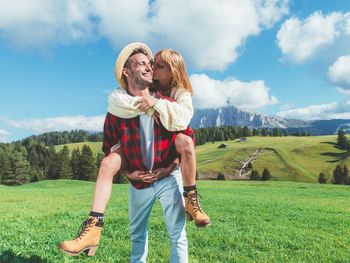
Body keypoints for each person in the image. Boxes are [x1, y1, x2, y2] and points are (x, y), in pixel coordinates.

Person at [59, 43, 189, 262]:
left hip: (168, 177)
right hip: (139, 182)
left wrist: (168, 167)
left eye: (150, 64)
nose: (149, 68)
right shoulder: (117, 110)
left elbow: (185, 142)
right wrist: (130, 174)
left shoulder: (166, 104)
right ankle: (93, 228)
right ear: (126, 72)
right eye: (141, 64)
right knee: (137, 235)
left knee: (178, 235)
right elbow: (110, 147)